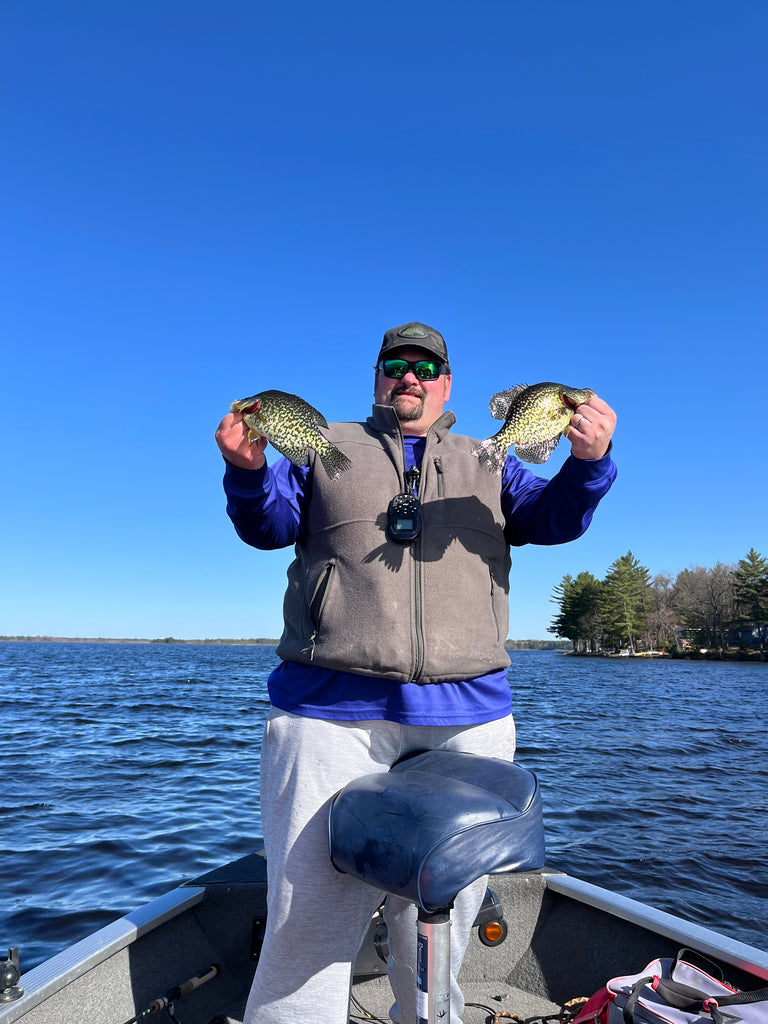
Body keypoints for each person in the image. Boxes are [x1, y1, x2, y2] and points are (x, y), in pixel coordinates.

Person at [214, 322, 617, 1024]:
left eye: (426, 368)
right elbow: (269, 525)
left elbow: (555, 518)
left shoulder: (491, 460)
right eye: (395, 365)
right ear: (376, 377)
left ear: (447, 383)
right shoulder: (323, 446)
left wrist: (588, 465)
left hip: (470, 719)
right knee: (306, 915)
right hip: (326, 713)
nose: (411, 376)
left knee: (443, 920)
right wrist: (247, 473)